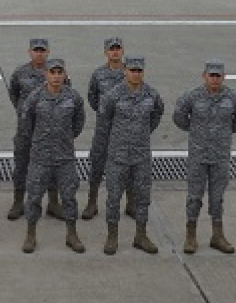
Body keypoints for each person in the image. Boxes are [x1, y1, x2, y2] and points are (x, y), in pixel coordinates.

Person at [173, 59, 236, 255]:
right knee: (194, 197)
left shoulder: (233, 98)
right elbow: (179, 116)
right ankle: (191, 235)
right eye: (211, 75)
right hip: (198, 155)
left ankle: (217, 235)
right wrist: (196, 132)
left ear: (224, 77)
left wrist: (223, 134)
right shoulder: (192, 96)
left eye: (218, 75)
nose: (215, 79)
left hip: (220, 156)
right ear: (204, 76)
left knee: (217, 198)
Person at [99, 56, 165, 255]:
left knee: (143, 198)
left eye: (139, 71)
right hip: (117, 155)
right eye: (132, 70)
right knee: (113, 197)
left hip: (141, 155)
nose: (136, 74)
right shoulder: (113, 95)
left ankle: (140, 235)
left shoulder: (152, 95)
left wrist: (142, 133)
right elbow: (105, 121)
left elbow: (157, 115)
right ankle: (112, 237)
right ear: (125, 71)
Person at [21, 59, 86, 253]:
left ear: (65, 75)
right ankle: (30, 235)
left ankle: (71, 234)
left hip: (64, 157)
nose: (56, 76)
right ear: (46, 74)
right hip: (40, 157)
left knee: (69, 197)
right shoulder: (34, 98)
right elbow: (27, 124)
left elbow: (78, 123)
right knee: (33, 197)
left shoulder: (73, 97)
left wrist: (64, 139)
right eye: (53, 72)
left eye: (60, 72)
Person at [7, 38, 61, 220]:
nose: (39, 54)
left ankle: (53, 203)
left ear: (48, 52)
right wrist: (24, 113)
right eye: (36, 50)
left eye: (42, 51)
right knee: (21, 164)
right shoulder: (20, 73)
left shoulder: (56, 73)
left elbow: (66, 95)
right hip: (25, 131)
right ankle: (18, 201)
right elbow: (13, 94)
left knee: (53, 166)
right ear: (30, 52)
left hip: (50, 132)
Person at [83, 37, 128, 220]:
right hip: (103, 128)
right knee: (97, 164)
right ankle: (92, 202)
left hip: (125, 128)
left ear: (122, 51)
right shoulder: (98, 74)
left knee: (128, 166)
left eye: (118, 48)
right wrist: (104, 114)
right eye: (111, 49)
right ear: (106, 52)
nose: (115, 52)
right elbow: (92, 97)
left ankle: (131, 203)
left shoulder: (130, 72)